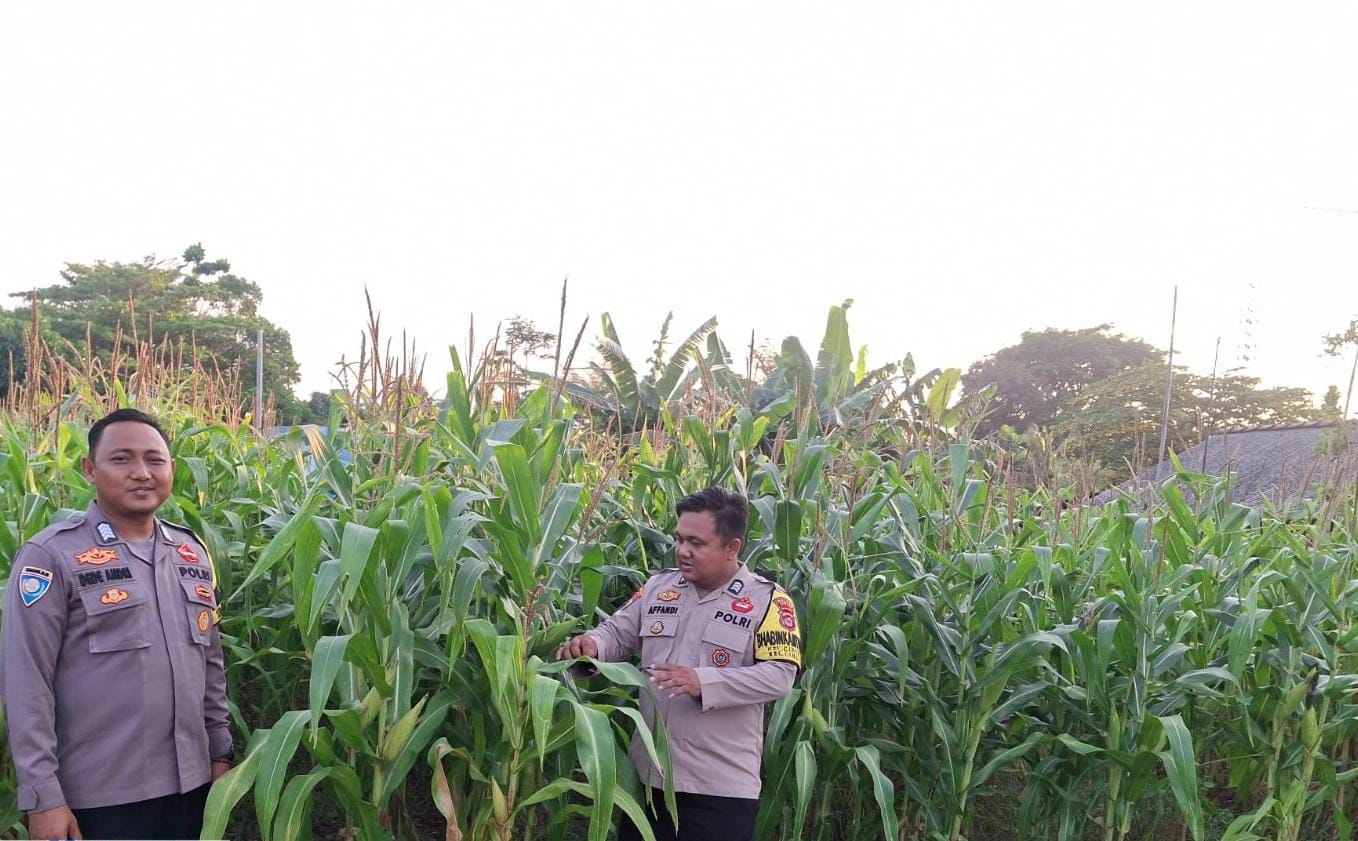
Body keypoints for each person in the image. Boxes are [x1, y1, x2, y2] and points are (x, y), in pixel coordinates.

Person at [0, 408, 233, 840]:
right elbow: (26, 681)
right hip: (100, 798)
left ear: (171, 468)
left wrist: (221, 754)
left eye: (154, 460)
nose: (141, 473)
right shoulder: (52, 556)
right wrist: (43, 797)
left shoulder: (191, 553)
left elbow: (211, 665)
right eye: (122, 459)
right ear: (90, 469)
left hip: (194, 787)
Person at [557, 487, 801, 841]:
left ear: (732, 547)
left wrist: (703, 682)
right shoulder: (659, 588)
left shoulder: (768, 602)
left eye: (696, 543)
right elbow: (617, 633)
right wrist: (592, 645)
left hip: (718, 790)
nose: (683, 550)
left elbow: (780, 675)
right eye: (679, 539)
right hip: (648, 781)